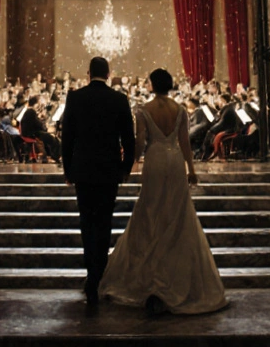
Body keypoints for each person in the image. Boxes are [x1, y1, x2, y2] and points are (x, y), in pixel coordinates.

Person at [99, 68, 228, 315]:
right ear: (169, 85)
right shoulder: (180, 110)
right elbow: (185, 143)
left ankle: (151, 273)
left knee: (150, 209)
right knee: (177, 212)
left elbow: (140, 142)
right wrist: (191, 169)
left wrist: (130, 164)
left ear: (151, 84)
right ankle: (176, 274)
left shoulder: (144, 110)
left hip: (156, 159)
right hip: (175, 160)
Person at [61, 56, 136, 306]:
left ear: (88, 72)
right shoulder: (118, 99)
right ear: (108, 73)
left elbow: (67, 137)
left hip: (83, 169)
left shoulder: (75, 97)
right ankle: (98, 275)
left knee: (86, 221)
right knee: (104, 222)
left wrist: (67, 168)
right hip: (108, 170)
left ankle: (91, 274)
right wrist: (125, 168)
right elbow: (129, 138)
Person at [21, 97, 61, 163]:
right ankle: (55, 156)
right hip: (32, 133)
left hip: (30, 132)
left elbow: (35, 123)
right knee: (52, 138)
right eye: (38, 103)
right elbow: (39, 125)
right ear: (35, 104)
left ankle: (52, 156)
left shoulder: (29, 111)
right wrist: (43, 122)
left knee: (50, 136)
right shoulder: (31, 111)